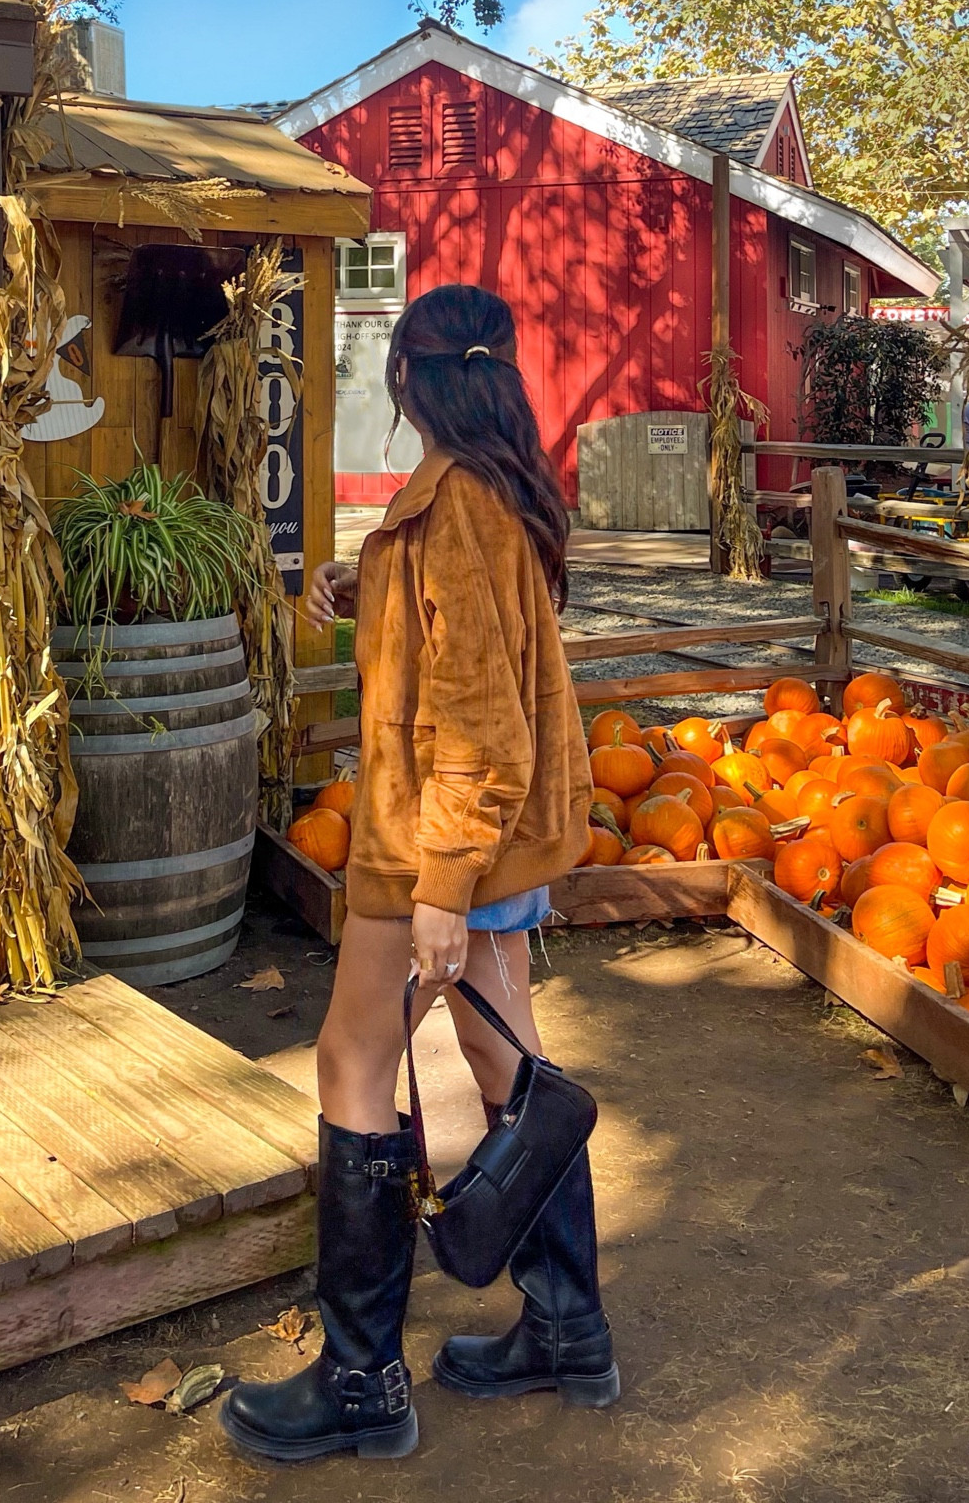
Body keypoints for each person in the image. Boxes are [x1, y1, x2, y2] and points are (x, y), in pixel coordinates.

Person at [219, 284, 617, 1465]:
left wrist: (439, 883)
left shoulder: (455, 504)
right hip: (495, 837)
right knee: (508, 1062)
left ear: (407, 377)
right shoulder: (496, 489)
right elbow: (466, 650)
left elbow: (478, 721)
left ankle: (361, 1379)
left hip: (439, 839)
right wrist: (367, 590)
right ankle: (566, 1325)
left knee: (353, 1055)